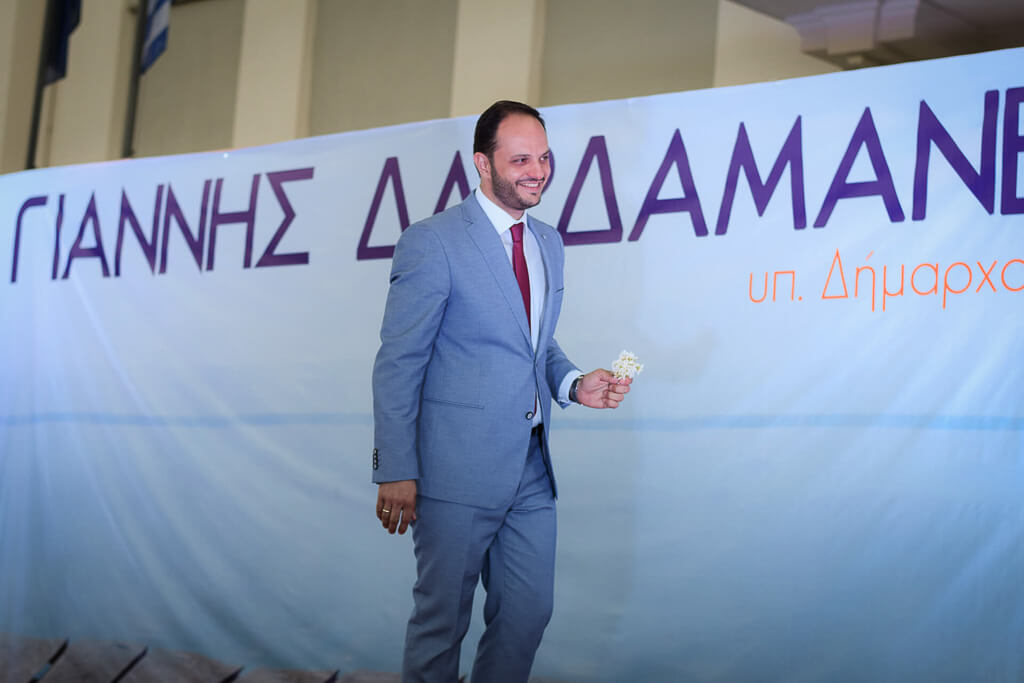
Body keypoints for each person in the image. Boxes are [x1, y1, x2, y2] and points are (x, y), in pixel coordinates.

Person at [371, 100, 632, 682]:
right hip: (452, 470)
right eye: (520, 159)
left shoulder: (548, 241)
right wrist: (395, 466)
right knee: (442, 626)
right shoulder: (431, 241)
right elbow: (398, 362)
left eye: (543, 157)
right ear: (482, 165)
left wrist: (570, 381)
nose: (537, 170)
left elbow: (532, 339)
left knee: (527, 614)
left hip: (532, 467)